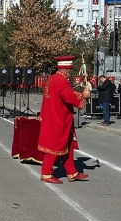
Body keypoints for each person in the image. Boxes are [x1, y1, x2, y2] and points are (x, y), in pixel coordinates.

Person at [37, 55, 91, 184]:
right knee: (54, 145)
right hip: (59, 117)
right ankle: (46, 173)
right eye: (70, 69)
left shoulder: (52, 79)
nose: (70, 72)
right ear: (67, 68)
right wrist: (84, 95)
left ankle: (71, 171)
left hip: (54, 115)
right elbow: (67, 96)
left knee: (68, 145)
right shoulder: (62, 80)